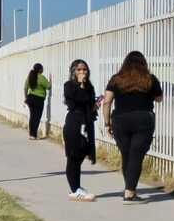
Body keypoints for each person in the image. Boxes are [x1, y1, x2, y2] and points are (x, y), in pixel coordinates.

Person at [101, 50, 163, 203]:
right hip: (143, 119)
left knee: (126, 154)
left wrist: (107, 122)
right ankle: (130, 192)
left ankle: (129, 189)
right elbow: (159, 98)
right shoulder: (150, 79)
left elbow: (107, 101)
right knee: (136, 155)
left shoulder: (116, 79)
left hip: (120, 120)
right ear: (143, 63)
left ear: (125, 63)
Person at [62, 60, 97, 201]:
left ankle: (77, 187)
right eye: (79, 70)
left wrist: (94, 106)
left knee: (82, 153)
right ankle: (74, 189)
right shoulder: (69, 86)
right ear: (73, 72)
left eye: (85, 70)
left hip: (86, 123)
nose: (82, 72)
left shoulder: (89, 87)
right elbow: (78, 99)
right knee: (73, 156)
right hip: (74, 124)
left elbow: (88, 102)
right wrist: (81, 85)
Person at [23, 63, 51, 139]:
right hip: (38, 99)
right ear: (40, 70)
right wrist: (50, 81)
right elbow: (48, 86)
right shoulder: (41, 77)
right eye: (42, 68)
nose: (43, 70)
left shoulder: (30, 76)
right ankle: (34, 135)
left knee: (32, 116)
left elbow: (25, 88)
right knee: (37, 117)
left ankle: (31, 134)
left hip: (30, 98)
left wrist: (25, 98)